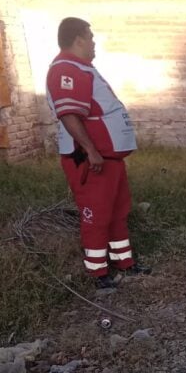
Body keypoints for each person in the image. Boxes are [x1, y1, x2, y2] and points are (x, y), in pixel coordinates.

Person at [45, 17, 150, 290]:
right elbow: (69, 114)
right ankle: (98, 274)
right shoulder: (65, 69)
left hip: (109, 159)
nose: (94, 43)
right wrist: (91, 151)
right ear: (78, 39)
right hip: (91, 162)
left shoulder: (84, 68)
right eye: (90, 37)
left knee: (117, 213)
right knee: (96, 215)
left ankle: (124, 264)